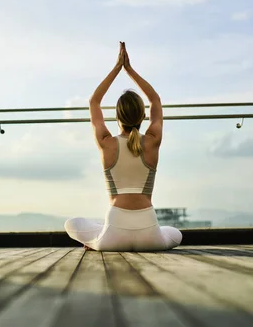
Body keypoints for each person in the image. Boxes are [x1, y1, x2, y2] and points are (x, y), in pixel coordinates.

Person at [64, 42, 183, 252]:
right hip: (150, 235)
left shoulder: (106, 143)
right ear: (143, 116)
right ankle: (103, 234)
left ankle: (99, 238)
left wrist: (117, 68)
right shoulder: (153, 139)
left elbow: (94, 102)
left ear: (117, 117)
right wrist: (130, 70)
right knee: (176, 233)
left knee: (71, 224)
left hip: (113, 235)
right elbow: (155, 99)